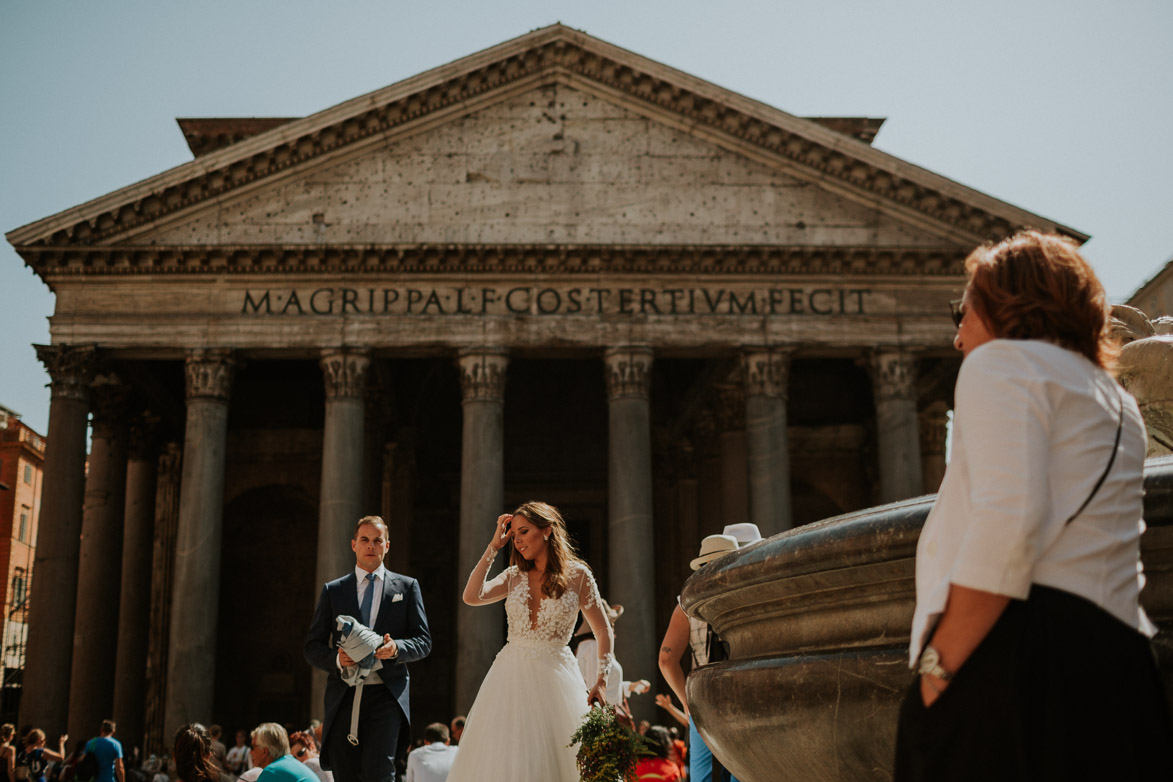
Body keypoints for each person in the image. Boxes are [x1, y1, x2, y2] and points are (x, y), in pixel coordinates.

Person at [894, 231, 1173, 780]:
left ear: (1007, 304)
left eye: (963, 310)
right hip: (1120, 663)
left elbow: (1007, 528)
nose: (957, 338)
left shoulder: (1001, 363)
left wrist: (936, 670)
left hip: (1016, 661)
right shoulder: (1115, 400)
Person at [444, 501, 615, 782]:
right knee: (507, 760)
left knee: (560, 759)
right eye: (514, 535)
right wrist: (493, 548)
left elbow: (603, 630)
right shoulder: (513, 576)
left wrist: (602, 679)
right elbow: (471, 596)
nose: (518, 540)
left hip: (557, 677)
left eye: (524, 531)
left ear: (547, 530)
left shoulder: (578, 575)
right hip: (509, 677)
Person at [304, 516, 432, 782]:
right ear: (354, 545)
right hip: (343, 697)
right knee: (345, 774)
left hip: (386, 695)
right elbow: (312, 647)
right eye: (365, 540)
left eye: (377, 540)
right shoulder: (333, 590)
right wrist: (337, 660)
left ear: (387, 545)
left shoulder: (407, 588)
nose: (371, 546)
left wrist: (396, 647)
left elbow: (423, 641)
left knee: (381, 774)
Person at [659, 533, 741, 782]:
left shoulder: (686, 605)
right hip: (743, 695)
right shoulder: (746, 597)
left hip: (703, 699)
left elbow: (666, 660)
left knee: (703, 776)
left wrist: (687, 703)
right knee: (745, 771)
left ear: (703, 567)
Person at [248, 726, 314, 782]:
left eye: (252, 747)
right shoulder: (290, 763)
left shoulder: (271, 772)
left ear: (264, 752)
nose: (250, 752)